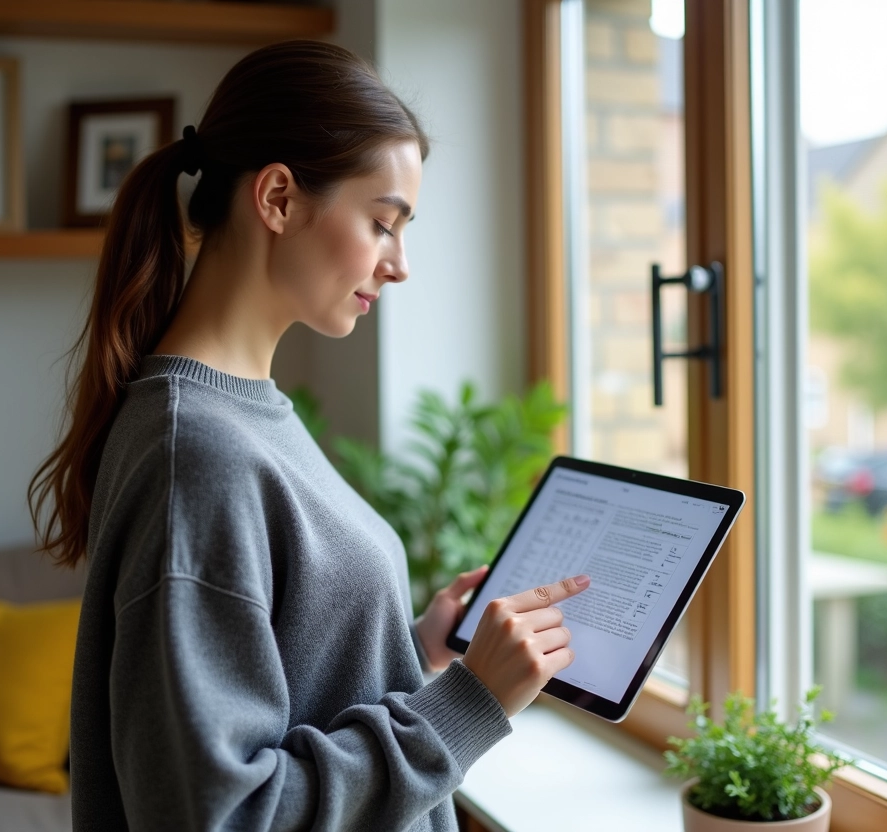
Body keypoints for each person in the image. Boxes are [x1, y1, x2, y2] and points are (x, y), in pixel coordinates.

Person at [29, 39, 589, 832]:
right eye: (382, 223)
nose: (399, 265)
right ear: (280, 199)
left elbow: (277, 670)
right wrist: (470, 705)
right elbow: (221, 813)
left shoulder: (239, 414)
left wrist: (410, 648)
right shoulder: (201, 453)